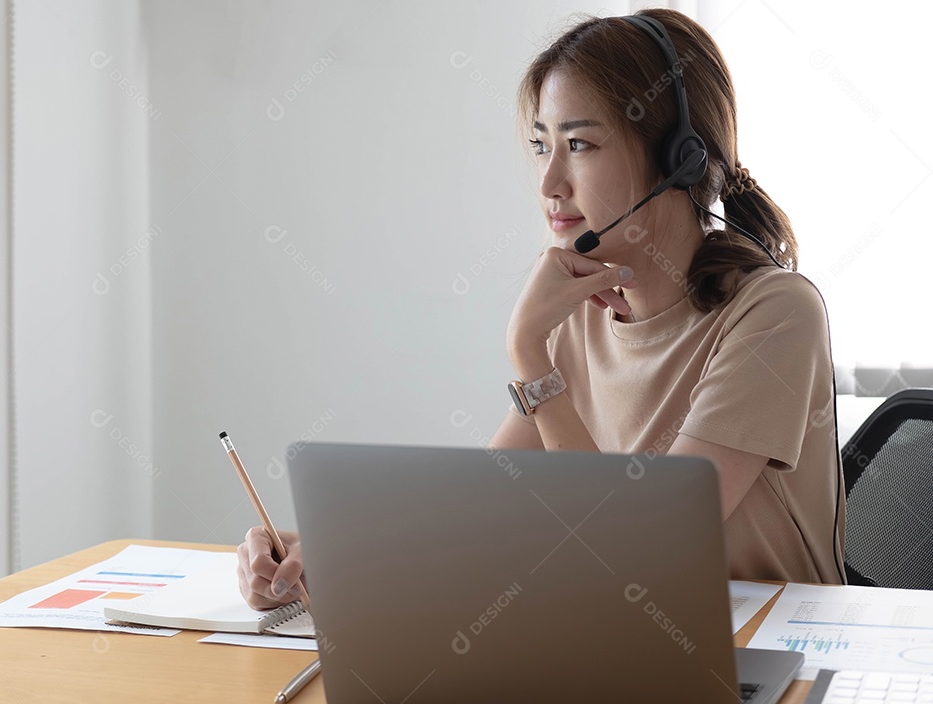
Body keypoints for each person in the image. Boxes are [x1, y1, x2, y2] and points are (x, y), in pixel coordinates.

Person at [237, 8, 845, 609]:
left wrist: (531, 357)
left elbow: (640, 551)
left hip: (768, 655)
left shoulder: (774, 314)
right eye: (540, 145)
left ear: (679, 158)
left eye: (578, 144)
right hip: (634, 647)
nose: (549, 182)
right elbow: (480, 512)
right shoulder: (580, 315)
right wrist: (321, 554)